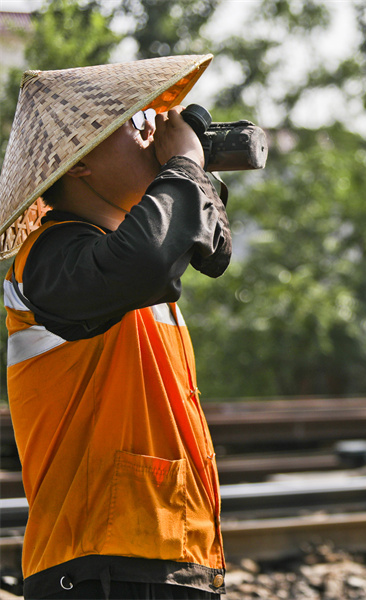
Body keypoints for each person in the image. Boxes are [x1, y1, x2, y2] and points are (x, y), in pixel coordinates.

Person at [0, 55, 231, 599]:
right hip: (97, 564)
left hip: (166, 551)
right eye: (135, 123)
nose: (153, 130)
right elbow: (145, 258)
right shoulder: (50, 257)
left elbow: (212, 252)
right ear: (78, 162)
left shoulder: (126, 259)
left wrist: (193, 170)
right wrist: (182, 169)